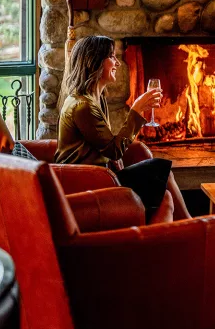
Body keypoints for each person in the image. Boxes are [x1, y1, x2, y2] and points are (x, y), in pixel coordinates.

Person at [55, 35, 191, 221]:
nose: (117, 63)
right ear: (93, 62)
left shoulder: (97, 98)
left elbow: (104, 145)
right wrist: (136, 110)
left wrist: (115, 160)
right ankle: (190, 224)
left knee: (163, 181)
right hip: (88, 180)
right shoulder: (82, 105)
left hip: (102, 172)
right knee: (160, 170)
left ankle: (186, 227)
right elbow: (113, 149)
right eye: (111, 57)